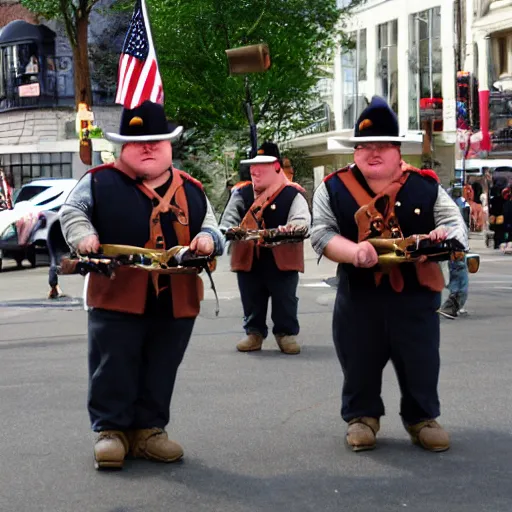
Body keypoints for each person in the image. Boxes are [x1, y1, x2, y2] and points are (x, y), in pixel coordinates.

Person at [59, 100, 224, 470]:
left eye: (156, 140)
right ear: (123, 147)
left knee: (162, 365)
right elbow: (72, 212)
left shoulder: (192, 189)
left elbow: (213, 226)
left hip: (176, 297)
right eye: (138, 142)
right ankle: (111, 432)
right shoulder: (97, 181)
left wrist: (209, 240)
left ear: (169, 146)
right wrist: (83, 234)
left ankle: (150, 431)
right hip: (117, 295)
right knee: (113, 363)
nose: (148, 147)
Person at [310, 96, 468, 453]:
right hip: (359, 293)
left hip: (415, 294)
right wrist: (354, 252)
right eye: (364, 146)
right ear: (355, 153)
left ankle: (422, 418)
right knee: (358, 358)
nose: (373, 153)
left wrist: (442, 237)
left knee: (420, 359)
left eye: (383, 145)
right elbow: (321, 233)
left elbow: (454, 224)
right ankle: (362, 418)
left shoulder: (426, 186)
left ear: (399, 151)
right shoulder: (332, 188)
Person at [220, 142, 311, 355]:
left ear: (277, 166)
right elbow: (228, 221)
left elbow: (302, 221)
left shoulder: (292, 194)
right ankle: (254, 333)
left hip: (282, 257)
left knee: (285, 298)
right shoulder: (241, 194)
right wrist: (233, 231)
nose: (255, 170)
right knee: (251, 296)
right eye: (253, 166)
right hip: (249, 256)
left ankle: (286, 334)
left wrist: (290, 229)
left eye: (262, 165)